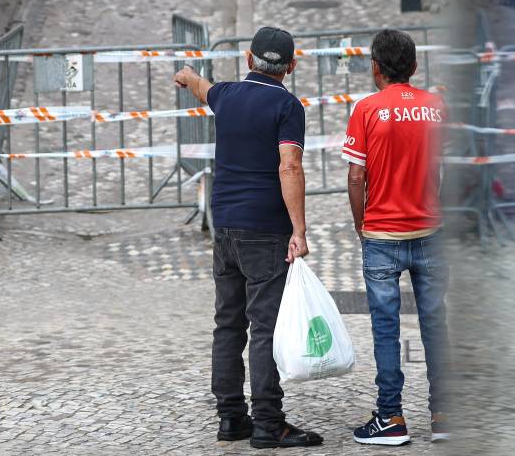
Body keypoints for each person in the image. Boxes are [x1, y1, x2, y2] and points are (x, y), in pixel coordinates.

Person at [175, 26, 323, 449]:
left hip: (225, 227)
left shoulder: (227, 96)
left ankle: (229, 418)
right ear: (291, 67)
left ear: (247, 59)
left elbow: (203, 88)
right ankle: (268, 423)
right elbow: (290, 166)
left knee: (228, 323)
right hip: (265, 230)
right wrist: (299, 229)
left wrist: (185, 76)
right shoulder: (287, 106)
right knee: (264, 328)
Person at [342, 29, 450, 445]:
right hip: (429, 230)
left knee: (385, 329)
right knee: (435, 323)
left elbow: (356, 176)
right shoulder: (435, 108)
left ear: (375, 67)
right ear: (414, 67)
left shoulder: (366, 109)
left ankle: (390, 417)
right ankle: (443, 414)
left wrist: (360, 223)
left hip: (382, 233)